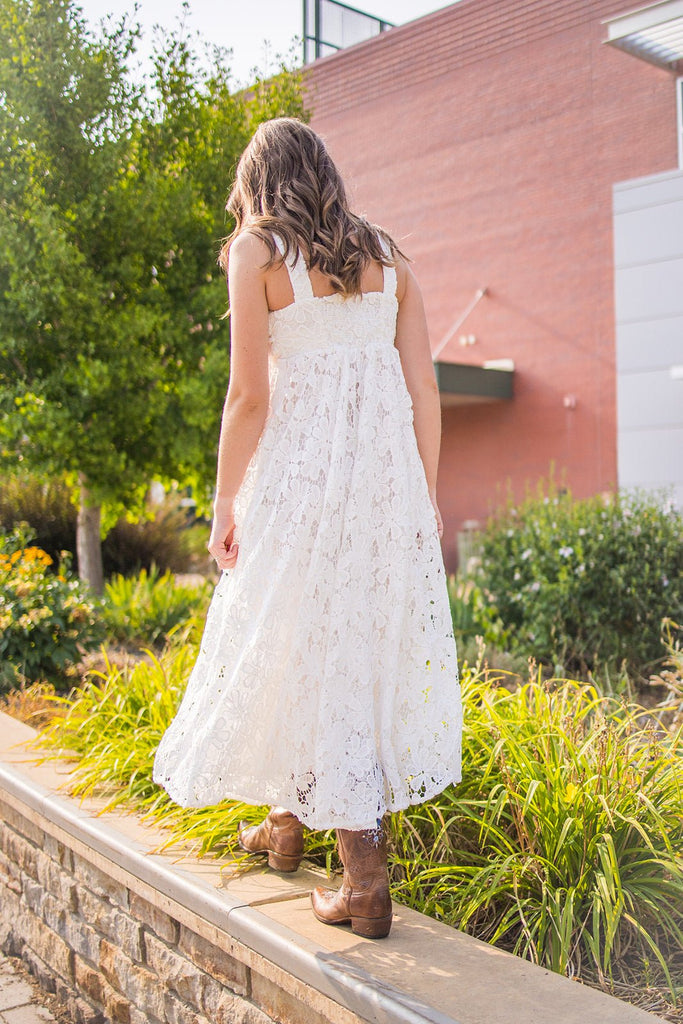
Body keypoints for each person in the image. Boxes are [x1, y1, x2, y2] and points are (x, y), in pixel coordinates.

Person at [153, 117, 462, 940]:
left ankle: (364, 877)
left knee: (293, 637)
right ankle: (284, 825)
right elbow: (423, 392)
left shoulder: (255, 251)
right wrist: (419, 498)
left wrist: (222, 503)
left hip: (297, 484)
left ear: (259, 181)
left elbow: (248, 397)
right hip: (384, 488)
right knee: (337, 642)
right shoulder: (390, 256)